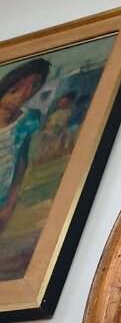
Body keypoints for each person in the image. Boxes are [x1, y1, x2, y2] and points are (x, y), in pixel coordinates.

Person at [0, 58, 50, 233]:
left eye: (34, 86)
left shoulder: (30, 119)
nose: (26, 93)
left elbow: (22, 162)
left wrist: (10, 205)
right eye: (20, 87)